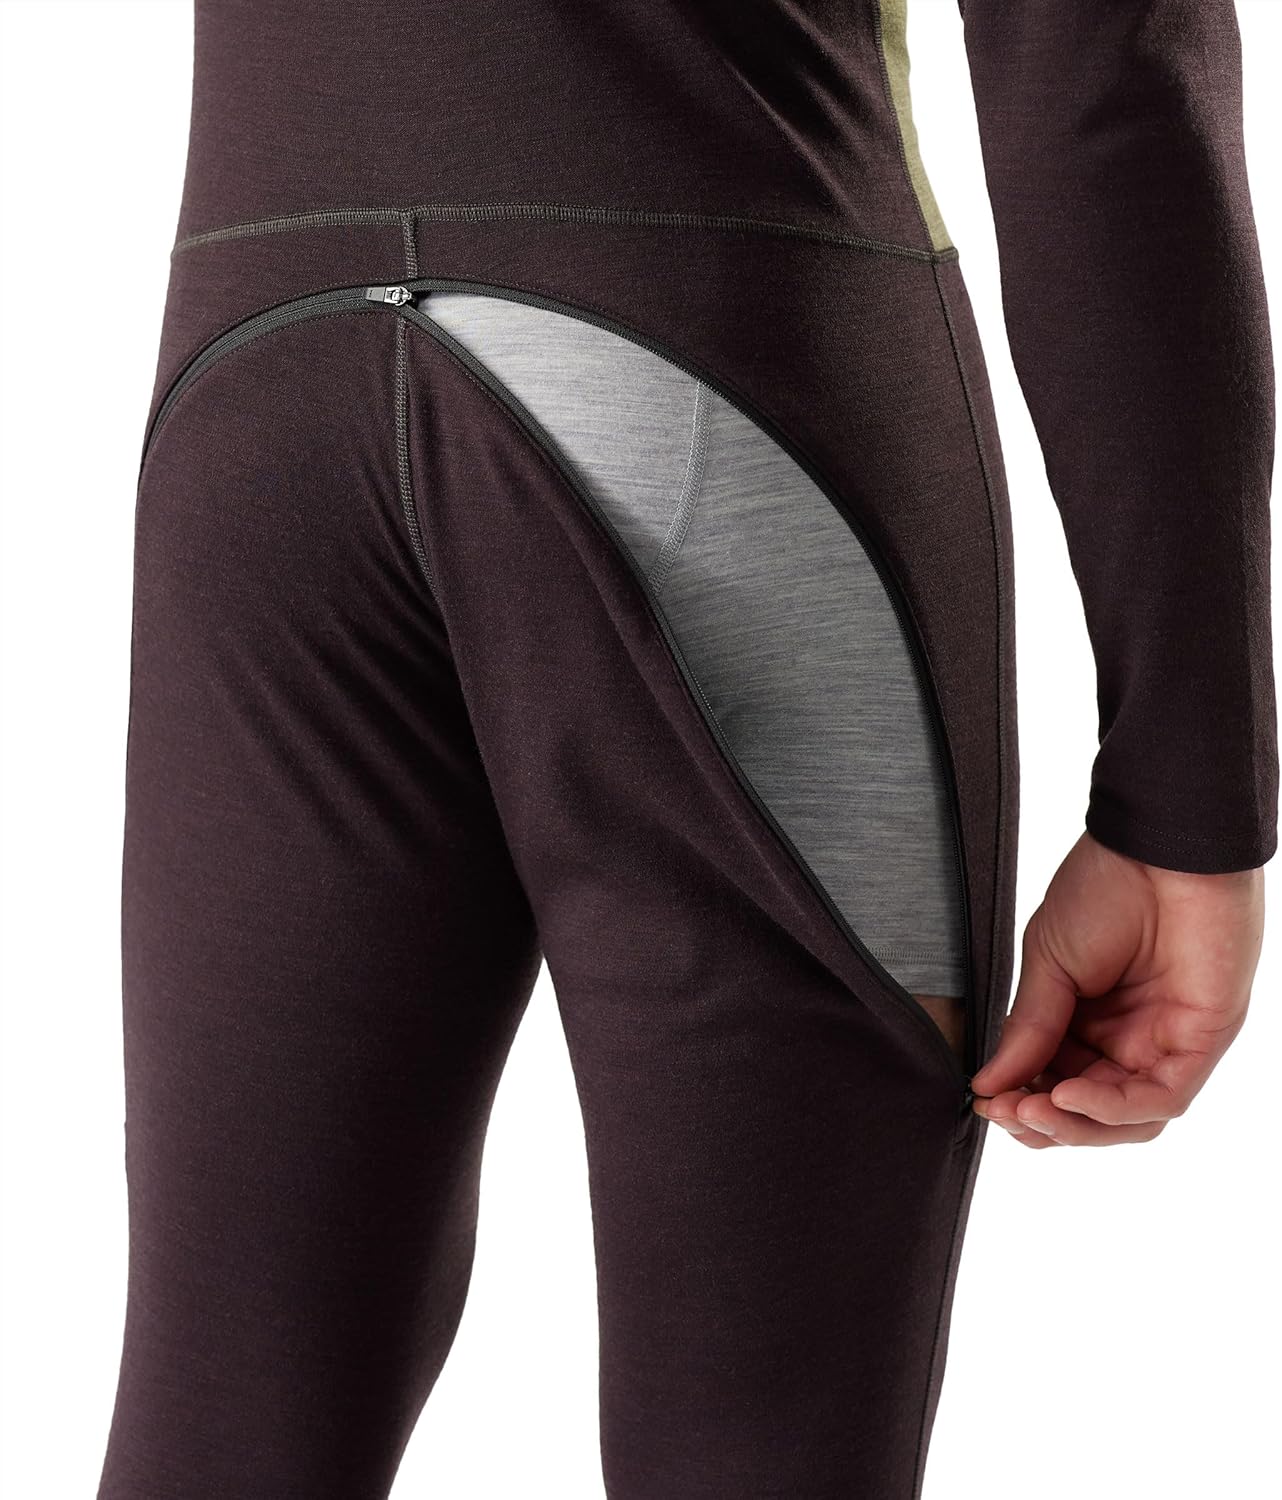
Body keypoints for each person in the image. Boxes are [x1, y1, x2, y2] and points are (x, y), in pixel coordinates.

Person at [96, 2, 1275, 1497]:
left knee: (232, 1403)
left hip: (258, 384)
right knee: (757, 1437)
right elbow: (1099, 67)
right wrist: (1187, 805)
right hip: (722, 394)